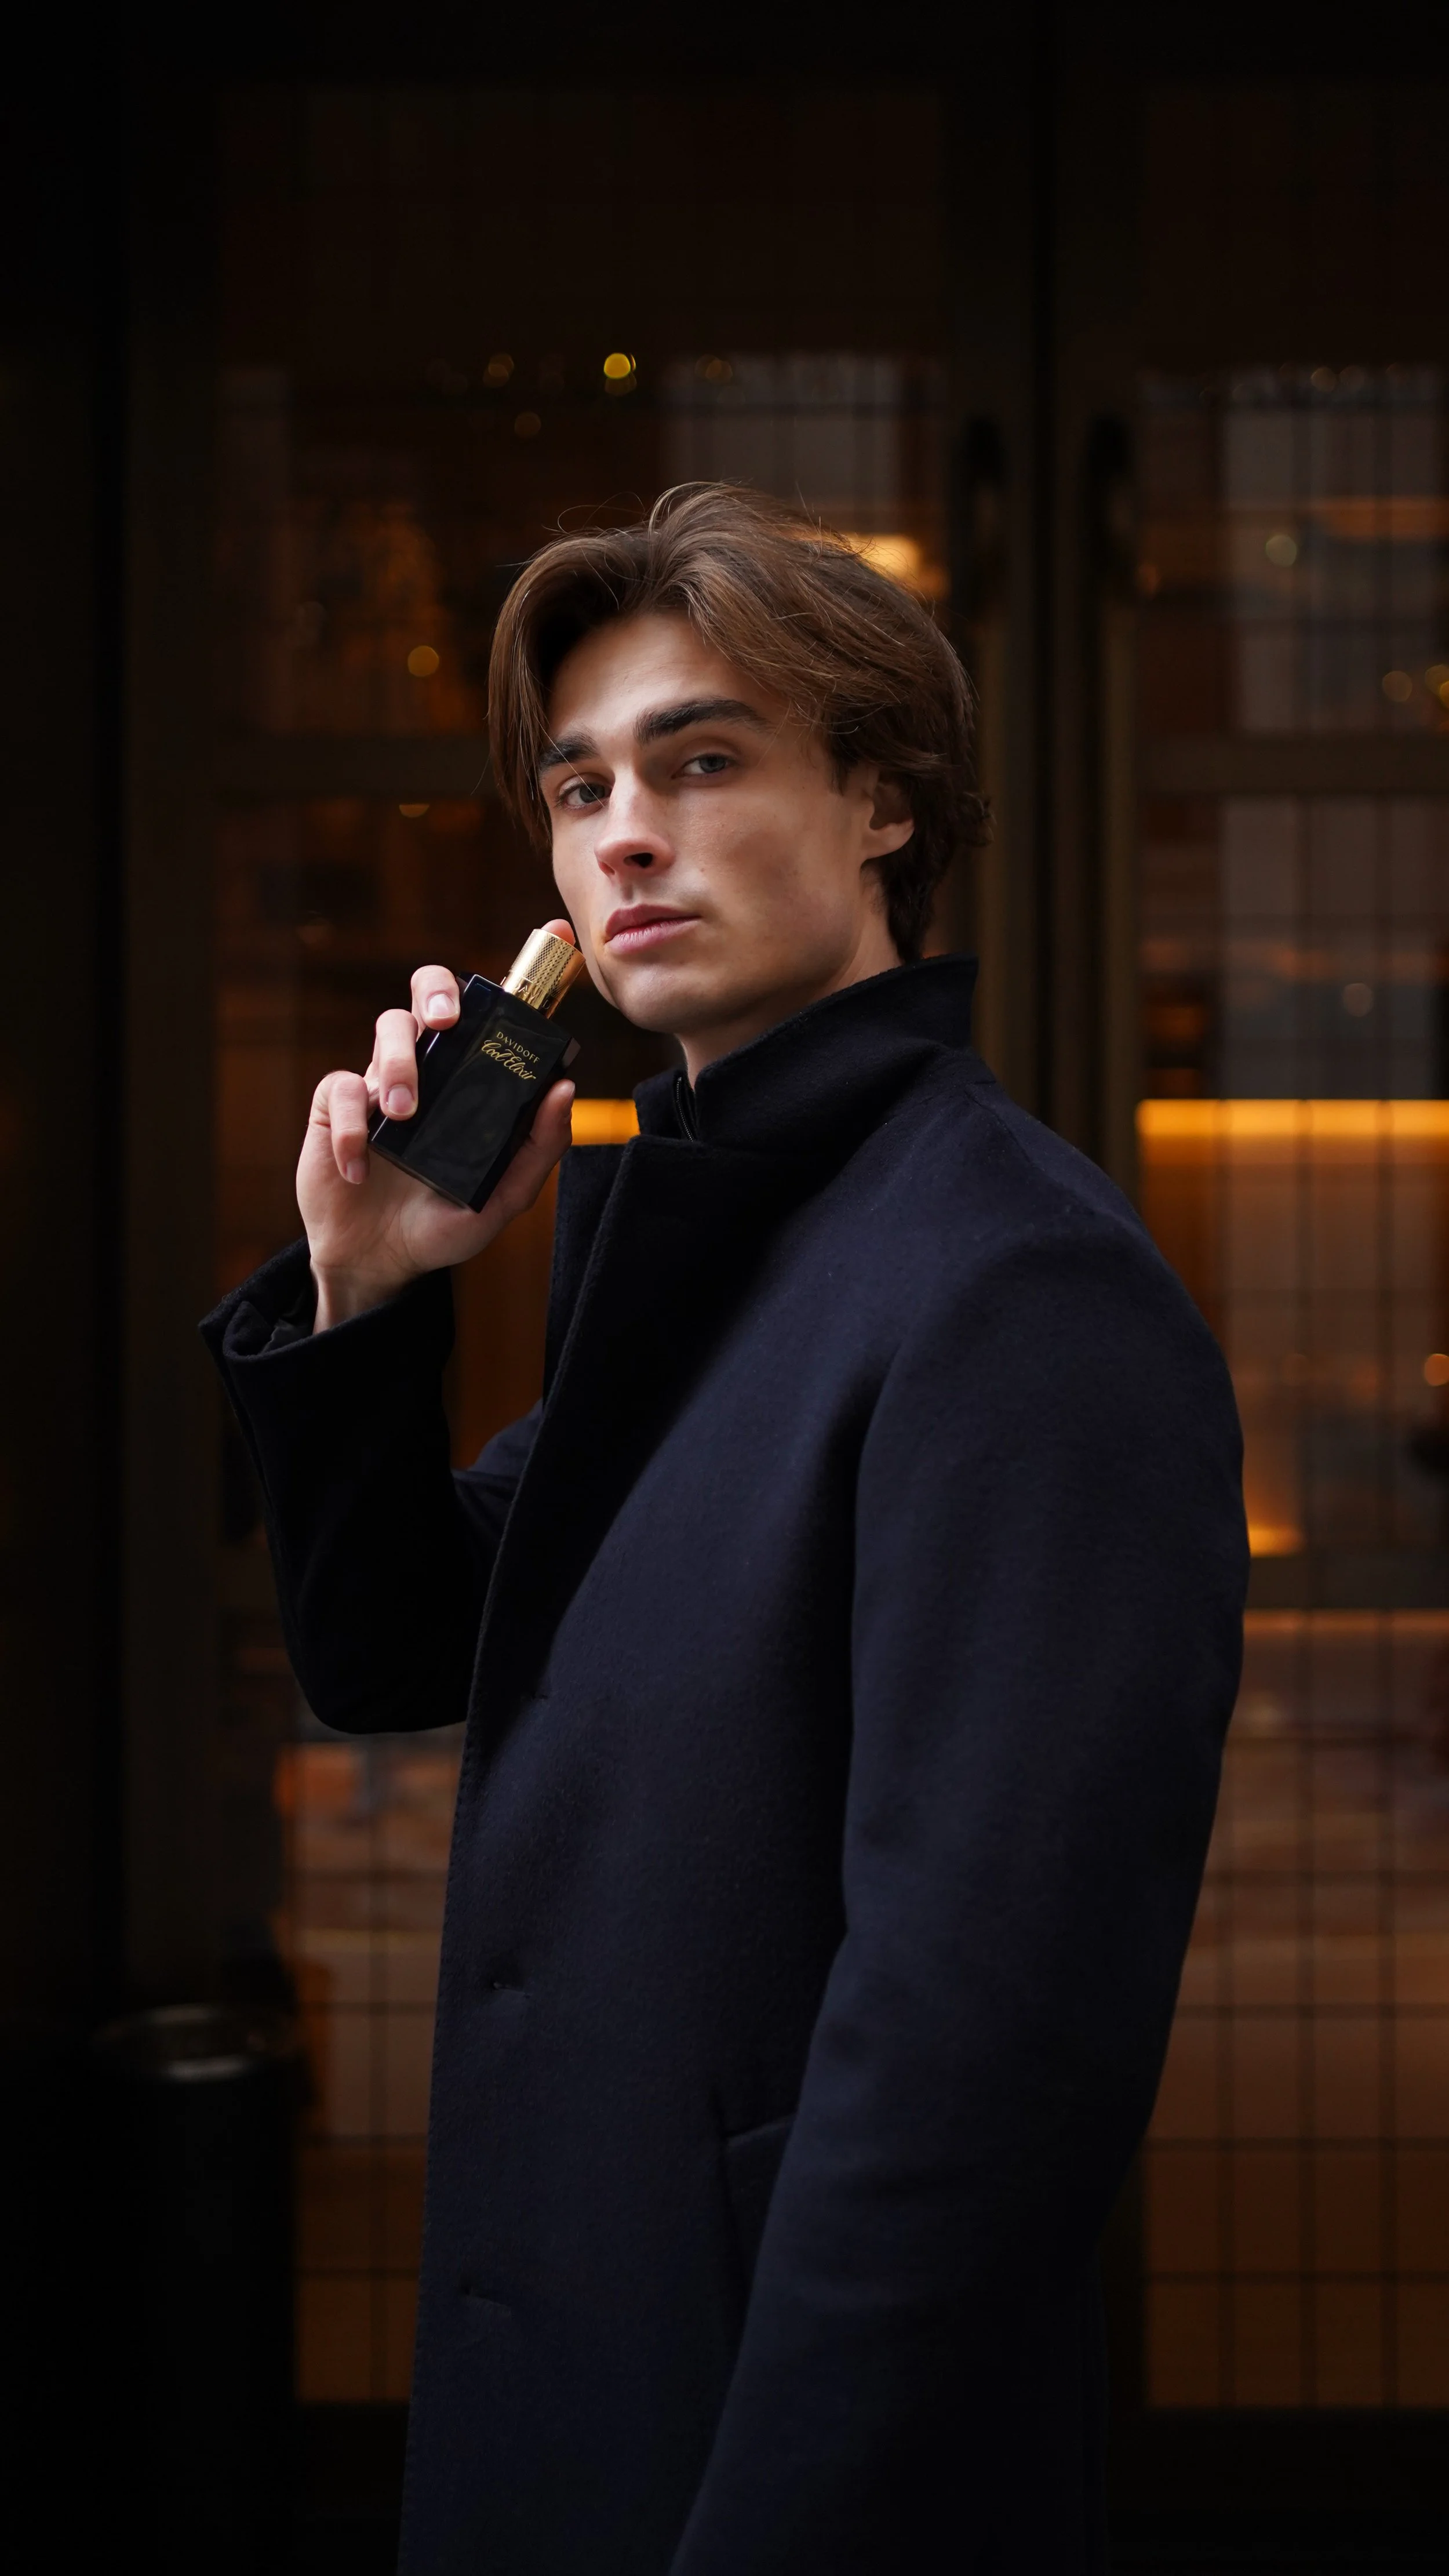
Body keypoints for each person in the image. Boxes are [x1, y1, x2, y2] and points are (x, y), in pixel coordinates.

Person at [205, 484, 1246, 2575]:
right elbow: (395, 1650)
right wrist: (368, 1297)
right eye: (579, 785)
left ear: (880, 803)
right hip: (586, 2395)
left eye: (701, 758)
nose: (621, 836)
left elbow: (980, 2058)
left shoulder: (1005, 1280)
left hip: (764, 2467)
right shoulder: (703, 1235)